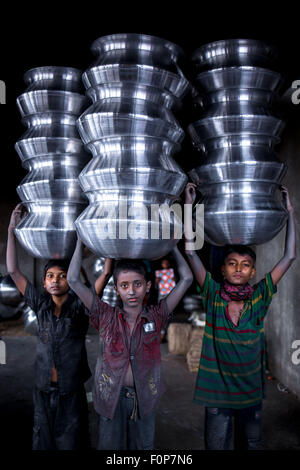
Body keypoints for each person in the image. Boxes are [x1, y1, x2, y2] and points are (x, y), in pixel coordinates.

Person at [184, 182, 296, 450]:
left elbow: (290, 256)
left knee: (251, 444)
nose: (238, 269)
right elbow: (190, 252)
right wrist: (188, 206)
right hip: (217, 391)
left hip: (249, 390)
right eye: (232, 264)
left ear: (253, 273)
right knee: (217, 445)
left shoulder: (260, 296)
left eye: (245, 265)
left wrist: (290, 210)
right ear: (222, 270)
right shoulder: (212, 295)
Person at [67, 237, 193, 450]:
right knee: (110, 447)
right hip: (110, 398)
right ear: (116, 289)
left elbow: (187, 279)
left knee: (142, 447)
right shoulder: (105, 316)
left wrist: (173, 246)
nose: (132, 291)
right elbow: (73, 281)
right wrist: (79, 243)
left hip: (144, 398)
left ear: (148, 286)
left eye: (137, 284)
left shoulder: (157, 315)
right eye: (124, 286)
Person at [6, 204, 92, 450]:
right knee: (42, 439)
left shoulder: (79, 310)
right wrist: (12, 229)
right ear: (44, 283)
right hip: (42, 388)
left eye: (62, 275)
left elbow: (102, 275)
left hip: (70, 391)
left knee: (71, 441)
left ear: (71, 279)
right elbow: (13, 270)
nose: (56, 280)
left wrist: (81, 240)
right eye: (50, 276)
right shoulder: (40, 306)